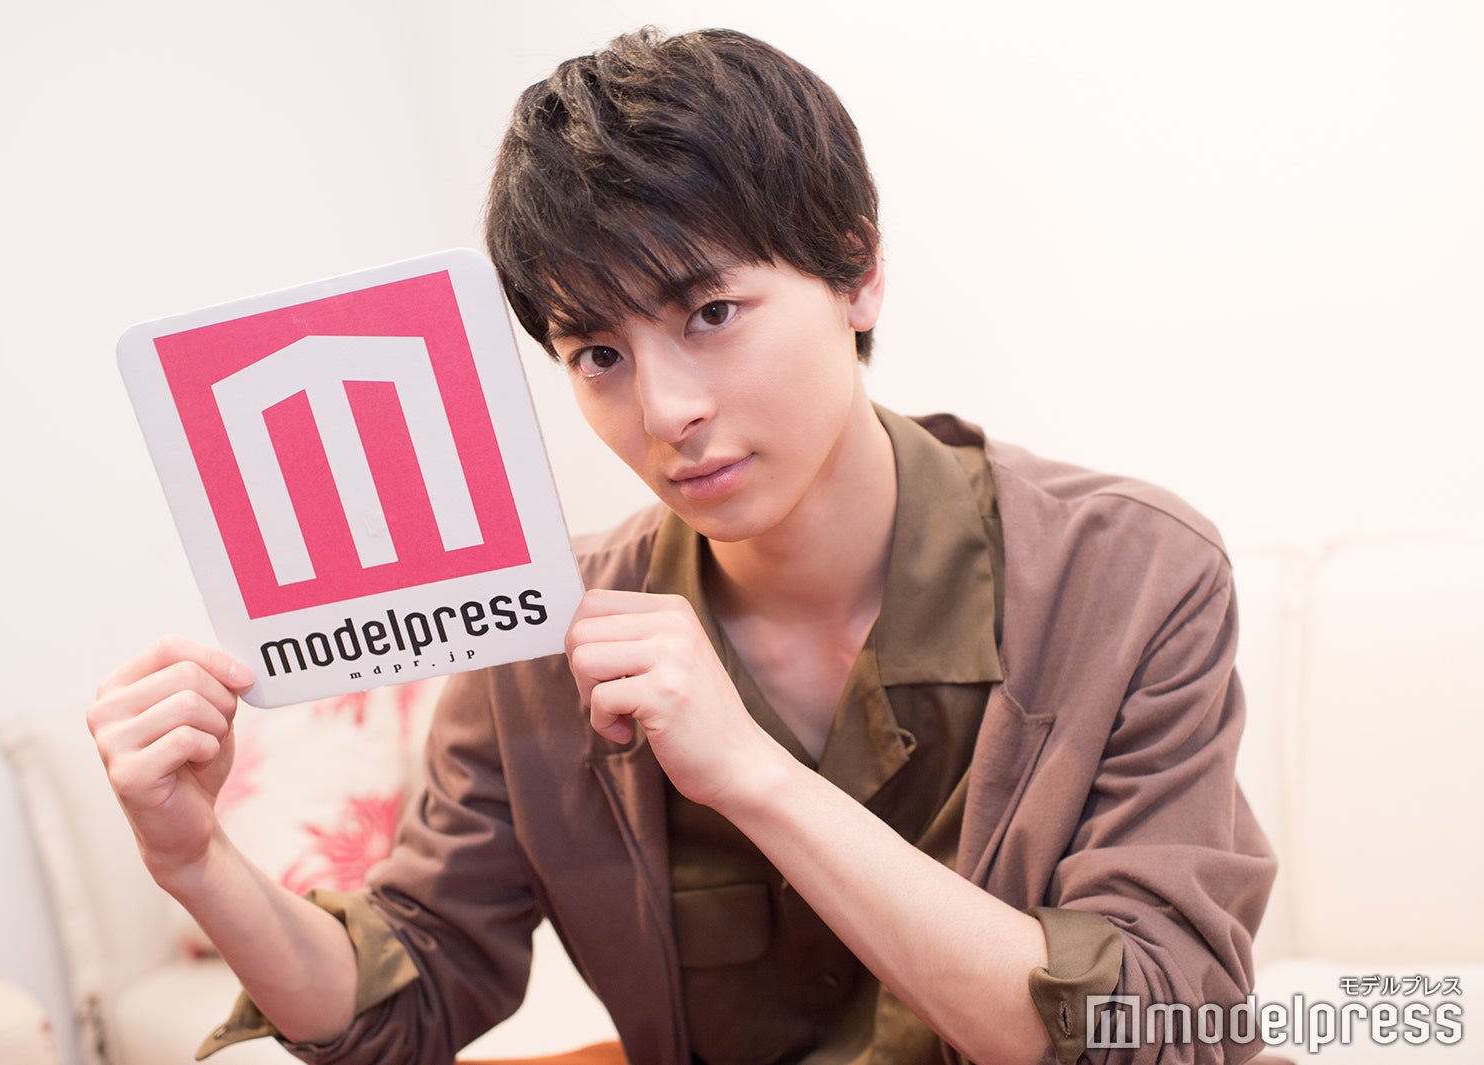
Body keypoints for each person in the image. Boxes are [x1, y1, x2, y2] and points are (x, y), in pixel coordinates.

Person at [87, 26, 1275, 1065]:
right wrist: (195, 860)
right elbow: (407, 1004)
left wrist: (750, 774)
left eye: (711, 314)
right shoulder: (540, 633)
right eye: (597, 354)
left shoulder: (1128, 575)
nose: (664, 412)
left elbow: (1154, 1025)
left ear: (858, 272)